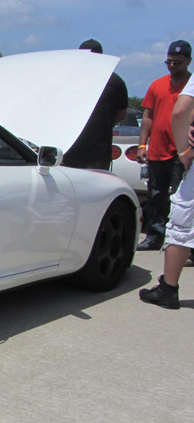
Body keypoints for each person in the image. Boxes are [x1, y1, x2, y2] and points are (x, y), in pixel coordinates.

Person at [140, 73, 194, 309]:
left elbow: (181, 111)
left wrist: (184, 152)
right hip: (159, 154)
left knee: (182, 223)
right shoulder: (158, 84)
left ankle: (168, 289)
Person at [136, 40, 192, 251]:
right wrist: (143, 145)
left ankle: (179, 241)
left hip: (183, 151)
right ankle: (154, 236)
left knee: (182, 199)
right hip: (158, 150)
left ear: (188, 61)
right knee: (156, 195)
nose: (172, 66)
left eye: (177, 62)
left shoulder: (191, 85)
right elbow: (148, 115)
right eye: (169, 61)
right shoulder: (157, 85)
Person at [63, 39, 128, 170]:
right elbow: (121, 114)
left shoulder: (67, 78)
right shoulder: (115, 81)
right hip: (93, 150)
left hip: (74, 148)